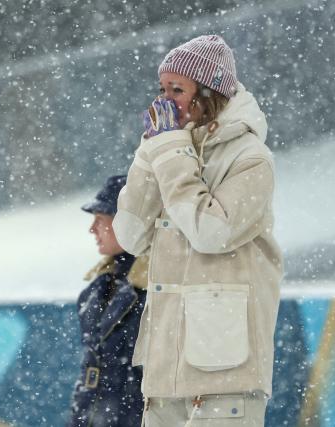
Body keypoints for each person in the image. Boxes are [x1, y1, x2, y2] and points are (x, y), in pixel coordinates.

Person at [112, 35, 282, 426]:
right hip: (165, 366)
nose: (164, 103)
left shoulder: (251, 158)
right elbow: (130, 235)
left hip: (226, 367)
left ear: (209, 94)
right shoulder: (170, 149)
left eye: (177, 90)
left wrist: (170, 151)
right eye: (161, 90)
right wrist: (148, 152)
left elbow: (210, 232)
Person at [69, 175, 148, 427]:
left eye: (100, 220)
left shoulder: (160, 292)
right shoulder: (100, 287)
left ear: (127, 224)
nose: (92, 229)